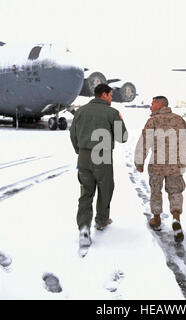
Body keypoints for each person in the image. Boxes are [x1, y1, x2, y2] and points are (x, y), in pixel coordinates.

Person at [70, 83, 128, 248]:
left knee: (86, 193)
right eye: (110, 95)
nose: (111, 98)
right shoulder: (112, 112)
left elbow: (72, 134)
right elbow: (122, 137)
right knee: (105, 188)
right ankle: (101, 221)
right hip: (102, 157)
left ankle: (83, 228)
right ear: (104, 95)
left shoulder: (80, 111)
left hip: (83, 157)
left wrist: (79, 150)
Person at [134, 96, 186, 243]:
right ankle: (176, 217)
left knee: (155, 191)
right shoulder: (179, 120)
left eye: (152, 104)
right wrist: (183, 161)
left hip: (157, 166)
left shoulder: (153, 121)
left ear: (159, 104)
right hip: (175, 165)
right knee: (175, 191)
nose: (150, 107)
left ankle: (157, 219)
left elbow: (144, 143)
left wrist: (139, 162)